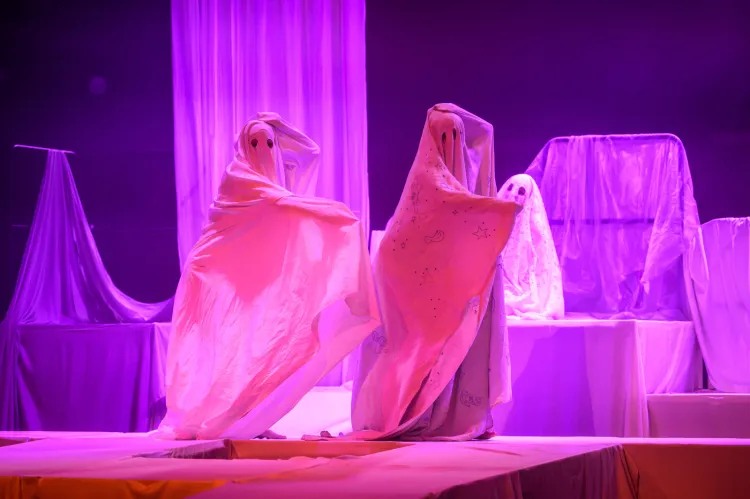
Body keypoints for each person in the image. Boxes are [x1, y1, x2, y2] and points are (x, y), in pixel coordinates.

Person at [158, 113, 380, 440]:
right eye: (254, 143)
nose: (262, 149)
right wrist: (338, 216)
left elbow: (311, 152)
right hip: (212, 279)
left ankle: (252, 422)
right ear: (243, 147)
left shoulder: (270, 181)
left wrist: (278, 126)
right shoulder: (240, 176)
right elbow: (283, 203)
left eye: (269, 143)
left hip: (243, 280)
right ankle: (215, 419)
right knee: (228, 354)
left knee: (258, 350)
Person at [349, 104, 519, 440]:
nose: (451, 145)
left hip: (455, 290)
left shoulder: (469, 202)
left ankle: (457, 414)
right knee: (420, 355)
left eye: (457, 136)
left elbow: (485, 134)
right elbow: (401, 245)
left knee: (460, 344)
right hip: (421, 300)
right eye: (444, 136)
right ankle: (417, 412)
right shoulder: (424, 187)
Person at [498, 173, 564, 319]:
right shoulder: (491, 224)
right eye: (510, 188)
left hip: (524, 289)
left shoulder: (536, 232)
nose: (513, 194)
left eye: (521, 192)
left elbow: (542, 270)